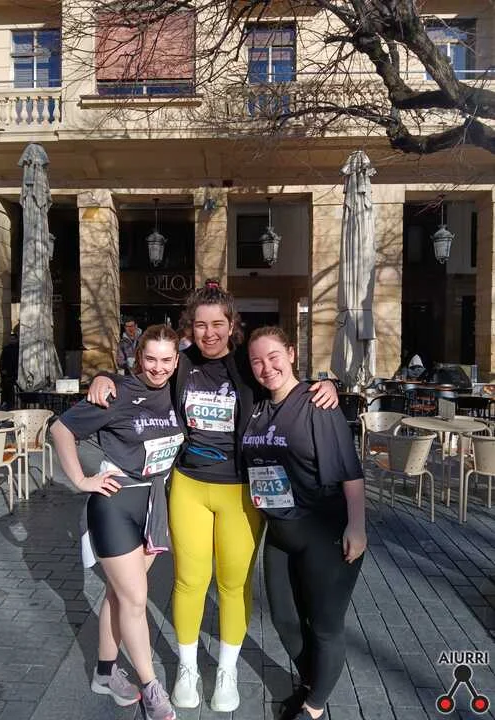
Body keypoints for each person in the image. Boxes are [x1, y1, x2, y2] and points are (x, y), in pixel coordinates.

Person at [87, 280, 338, 713]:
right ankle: (186, 667)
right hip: (189, 485)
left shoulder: (247, 364)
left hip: (240, 490)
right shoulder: (182, 364)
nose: (209, 333)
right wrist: (103, 376)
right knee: (189, 580)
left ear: (231, 324)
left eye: (218, 324)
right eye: (201, 325)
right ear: (191, 326)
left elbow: (282, 380)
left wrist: (324, 384)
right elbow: (144, 376)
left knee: (234, 583)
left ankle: (227, 670)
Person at [51, 325, 185, 720]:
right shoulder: (119, 392)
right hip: (115, 505)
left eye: (166, 360)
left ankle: (105, 675)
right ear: (138, 358)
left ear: (177, 360)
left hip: (153, 505)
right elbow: (61, 429)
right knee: (135, 599)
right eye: (151, 359)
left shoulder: (178, 392)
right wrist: (80, 480)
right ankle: (151, 685)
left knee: (118, 595)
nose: (158, 368)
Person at [242, 326, 366, 720]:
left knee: (325, 626)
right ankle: (314, 681)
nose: (266, 367)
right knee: (284, 620)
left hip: (323, 531)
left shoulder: (317, 403)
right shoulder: (257, 407)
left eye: (273, 357)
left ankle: (313, 706)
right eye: (257, 361)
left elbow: (350, 470)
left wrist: (357, 526)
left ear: (292, 354)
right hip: (280, 533)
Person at [0, 331, 19, 409]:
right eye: (11, 339)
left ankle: (12, 404)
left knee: (12, 387)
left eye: (13, 339)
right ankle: (5, 403)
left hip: (15, 373)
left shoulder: (19, 349)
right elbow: (1, 361)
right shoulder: (6, 349)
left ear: (16, 339)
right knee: (5, 385)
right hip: (6, 373)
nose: (12, 340)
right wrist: (2, 370)